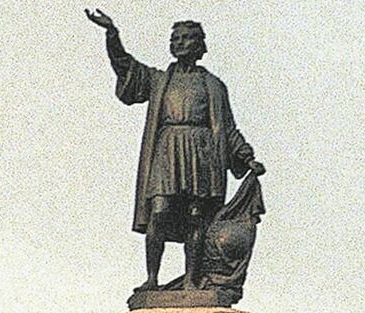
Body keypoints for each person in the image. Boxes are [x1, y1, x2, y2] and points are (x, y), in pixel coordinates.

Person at [85, 10, 264, 293]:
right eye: (176, 39)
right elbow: (126, 67)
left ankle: (192, 279)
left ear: (199, 45)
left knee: (196, 217)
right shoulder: (159, 80)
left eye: (187, 39)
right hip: (168, 150)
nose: (180, 43)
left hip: (201, 153)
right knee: (159, 211)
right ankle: (152, 278)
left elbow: (228, 128)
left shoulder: (214, 86)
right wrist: (112, 35)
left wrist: (246, 156)